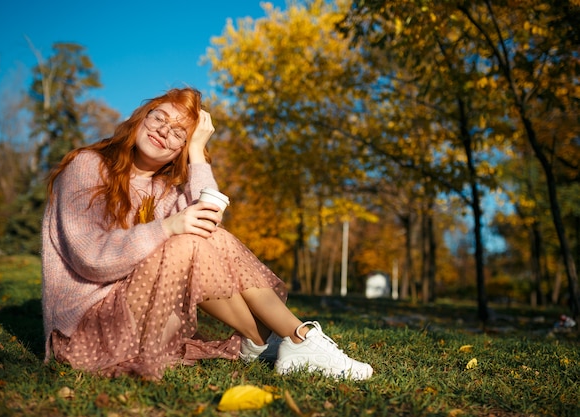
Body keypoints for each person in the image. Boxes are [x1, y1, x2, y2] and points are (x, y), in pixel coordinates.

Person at [41, 87, 373, 381]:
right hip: (87, 333)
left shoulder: (165, 187)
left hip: (141, 316)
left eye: (178, 134)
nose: (163, 132)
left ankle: (284, 339)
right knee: (186, 240)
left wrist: (198, 152)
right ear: (140, 117)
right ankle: (291, 339)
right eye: (160, 118)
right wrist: (169, 226)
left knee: (204, 235)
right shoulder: (88, 166)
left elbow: (209, 224)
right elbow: (91, 259)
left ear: (180, 151)